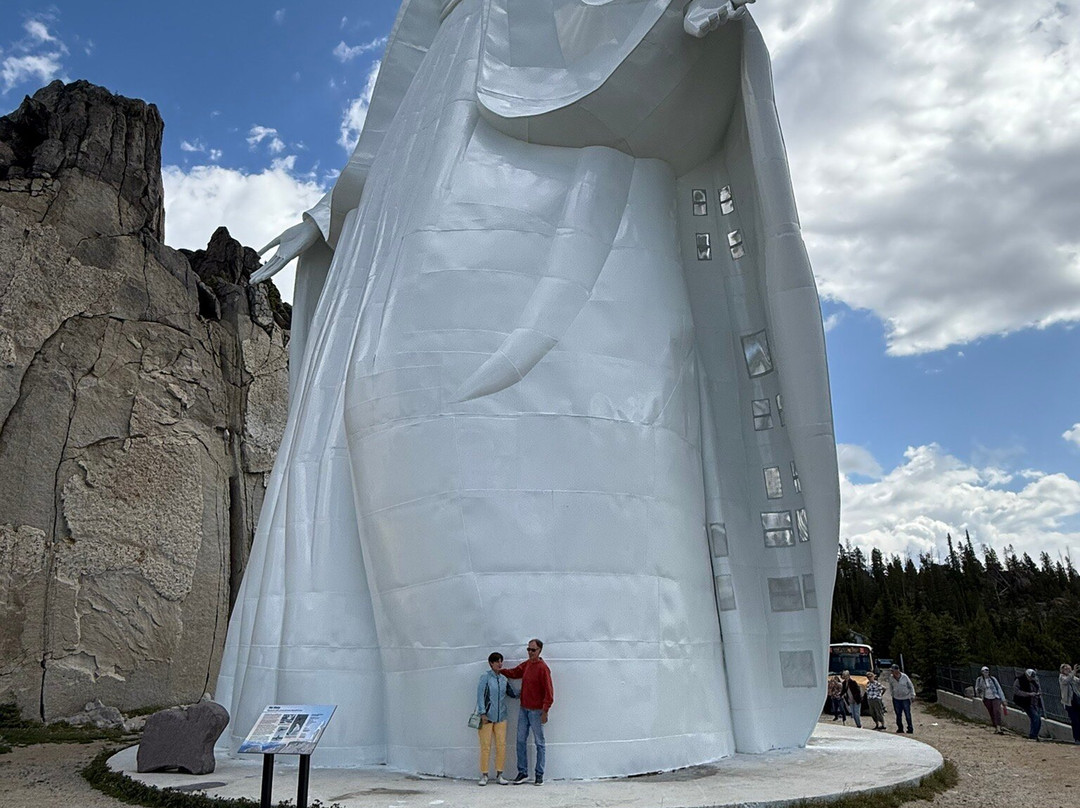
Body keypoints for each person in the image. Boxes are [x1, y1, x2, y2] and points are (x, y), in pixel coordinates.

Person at [215, 0, 841, 778]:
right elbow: (386, 130)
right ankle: (399, 727)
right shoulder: (446, 27)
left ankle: (619, 727)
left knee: (605, 469)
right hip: (424, 224)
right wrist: (330, 217)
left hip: (593, 223)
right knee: (395, 440)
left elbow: (623, 63)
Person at [501, 639, 554, 785]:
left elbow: (549, 692)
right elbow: (515, 672)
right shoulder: (527, 665)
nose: (530, 652)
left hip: (536, 711)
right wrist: (501, 671)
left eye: (533, 650)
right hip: (524, 709)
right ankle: (522, 772)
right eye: (528, 649)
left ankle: (539, 774)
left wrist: (545, 711)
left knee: (539, 743)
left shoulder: (543, 668)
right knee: (520, 740)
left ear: (540, 651)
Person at [476, 652, 517, 785]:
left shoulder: (503, 679)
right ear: (491, 663)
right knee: (485, 746)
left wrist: (526, 690)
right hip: (487, 717)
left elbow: (511, 693)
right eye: (497, 661)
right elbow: (480, 695)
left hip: (501, 717)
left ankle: (500, 774)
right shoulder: (485, 678)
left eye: (501, 661)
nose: (500, 664)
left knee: (501, 745)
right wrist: (482, 713)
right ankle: (484, 774)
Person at [1012, 668, 1043, 741]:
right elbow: (1016, 691)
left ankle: (1034, 734)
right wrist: (1028, 694)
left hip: (1035, 702)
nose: (1031, 678)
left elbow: (1038, 689)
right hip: (1026, 702)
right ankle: (1033, 736)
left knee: (1037, 719)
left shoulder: (1034, 682)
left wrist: (1037, 694)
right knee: (1035, 718)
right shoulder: (1019, 680)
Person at [974, 666, 1006, 734]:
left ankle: (998, 727)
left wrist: (1003, 699)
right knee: (991, 712)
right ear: (981, 672)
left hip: (995, 697)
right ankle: (995, 726)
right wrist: (980, 690)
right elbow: (976, 688)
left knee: (997, 711)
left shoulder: (993, 679)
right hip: (986, 698)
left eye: (987, 671)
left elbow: (999, 688)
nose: (986, 673)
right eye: (984, 671)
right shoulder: (979, 680)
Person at [889, 664, 914, 733]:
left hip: (905, 698)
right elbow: (891, 686)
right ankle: (900, 728)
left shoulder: (904, 677)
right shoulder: (891, 678)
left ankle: (910, 728)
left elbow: (910, 686)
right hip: (896, 698)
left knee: (907, 714)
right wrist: (892, 694)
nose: (892, 672)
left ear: (897, 670)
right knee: (898, 714)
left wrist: (912, 695)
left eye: (893, 671)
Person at [1060, 664, 1080, 744]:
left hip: (1077, 701)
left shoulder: (1072, 678)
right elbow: (1066, 681)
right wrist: (1074, 672)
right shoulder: (1062, 677)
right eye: (1066, 669)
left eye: (1069, 669)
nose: (1068, 670)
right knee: (1075, 721)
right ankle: (1077, 738)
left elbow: (1078, 681)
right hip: (1069, 703)